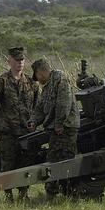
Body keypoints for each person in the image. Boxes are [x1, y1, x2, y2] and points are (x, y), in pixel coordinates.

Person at [0, 46, 40, 202]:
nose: (20, 63)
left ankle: (23, 194)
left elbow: (37, 107)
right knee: (8, 164)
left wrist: (35, 122)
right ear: (9, 61)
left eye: (22, 60)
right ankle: (8, 195)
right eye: (16, 60)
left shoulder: (32, 83)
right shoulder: (1, 82)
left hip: (26, 131)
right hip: (7, 132)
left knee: (25, 164)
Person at [30, 58, 80, 199]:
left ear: (41, 72)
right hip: (57, 129)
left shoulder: (59, 78)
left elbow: (64, 102)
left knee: (66, 160)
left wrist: (59, 123)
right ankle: (54, 193)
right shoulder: (47, 87)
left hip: (66, 127)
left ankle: (70, 194)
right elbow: (41, 108)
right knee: (53, 160)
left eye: (37, 76)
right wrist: (33, 121)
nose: (38, 80)